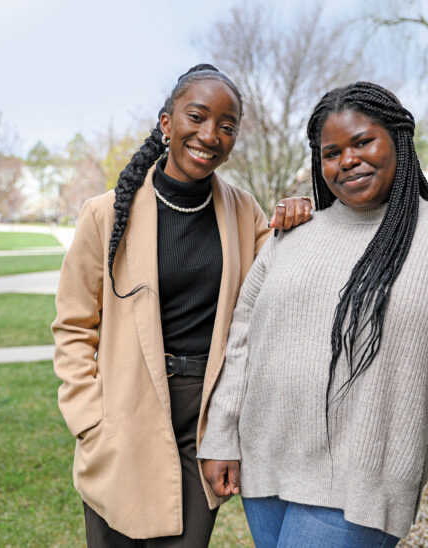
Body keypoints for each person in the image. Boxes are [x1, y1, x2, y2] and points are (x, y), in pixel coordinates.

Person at [198, 81, 428, 547]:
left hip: (360, 483)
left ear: (398, 140)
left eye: (362, 142)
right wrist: (221, 438)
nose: (347, 160)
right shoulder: (293, 234)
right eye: (331, 152)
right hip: (267, 464)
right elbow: (243, 339)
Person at [51, 64, 312, 547]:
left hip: (205, 420)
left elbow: (283, 292)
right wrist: (89, 419)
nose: (210, 135)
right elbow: (72, 327)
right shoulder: (105, 214)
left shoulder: (244, 212)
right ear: (167, 123)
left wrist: (299, 220)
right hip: (124, 410)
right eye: (197, 116)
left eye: (227, 126)